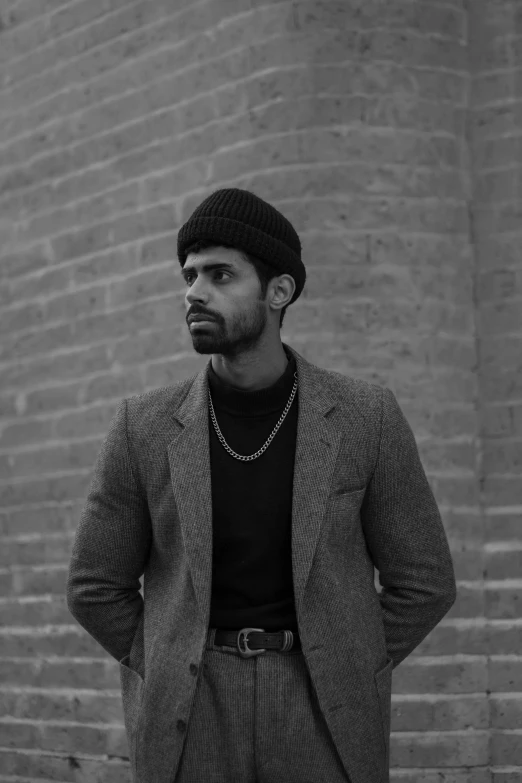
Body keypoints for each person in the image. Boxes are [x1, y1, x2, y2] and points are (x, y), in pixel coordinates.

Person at [66, 187, 457, 783]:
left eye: (220, 275)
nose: (194, 292)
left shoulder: (366, 417)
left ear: (279, 292)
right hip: (191, 710)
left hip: (322, 706)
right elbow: (94, 586)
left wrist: (348, 660)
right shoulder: (141, 427)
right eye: (190, 274)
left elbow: (425, 581)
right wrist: (166, 660)